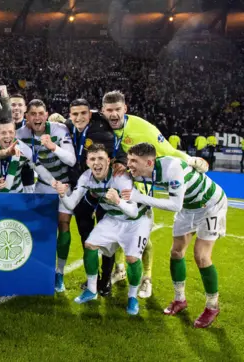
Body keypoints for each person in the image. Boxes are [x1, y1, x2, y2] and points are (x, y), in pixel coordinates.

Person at [101, 90, 208, 298]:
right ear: (103, 111)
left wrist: (191, 159)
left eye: (117, 110)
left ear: (125, 109)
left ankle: (147, 278)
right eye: (109, 110)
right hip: (114, 185)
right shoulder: (100, 123)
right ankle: (120, 269)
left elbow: (168, 151)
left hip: (140, 186)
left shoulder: (143, 128)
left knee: (141, 235)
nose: (113, 114)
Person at [123, 142, 227, 328]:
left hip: (211, 206)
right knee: (176, 253)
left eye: (134, 161)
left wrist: (139, 198)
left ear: (149, 162)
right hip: (188, 209)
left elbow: (174, 205)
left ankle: (212, 306)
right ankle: (180, 299)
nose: (129, 164)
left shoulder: (173, 169)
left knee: (201, 256)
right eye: (128, 159)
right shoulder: (144, 171)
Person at [53, 144, 152, 316]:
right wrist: (62, 194)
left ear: (109, 160)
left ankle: (132, 298)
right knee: (90, 245)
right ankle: (91, 290)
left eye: (100, 158)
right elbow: (71, 204)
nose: (96, 163)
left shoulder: (120, 178)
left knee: (131, 258)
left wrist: (118, 200)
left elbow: (133, 210)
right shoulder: (86, 177)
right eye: (92, 159)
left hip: (137, 219)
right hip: (114, 217)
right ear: (87, 162)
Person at [60, 99, 127, 295]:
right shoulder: (69, 127)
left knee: (106, 239)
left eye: (83, 113)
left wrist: (121, 161)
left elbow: (118, 150)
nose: (79, 117)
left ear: (90, 114)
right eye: (75, 114)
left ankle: (105, 281)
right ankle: (94, 279)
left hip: (103, 192)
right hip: (81, 191)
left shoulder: (101, 130)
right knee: (86, 236)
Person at [17, 99, 76, 291]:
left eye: (40, 113)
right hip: (44, 184)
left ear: (46, 114)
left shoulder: (59, 130)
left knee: (64, 225)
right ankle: (39, 268)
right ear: (27, 117)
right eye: (32, 114)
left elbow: (72, 160)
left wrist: (54, 147)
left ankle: (59, 272)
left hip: (65, 185)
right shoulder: (21, 134)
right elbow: (34, 164)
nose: (37, 117)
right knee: (38, 227)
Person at [0, 120, 52, 193]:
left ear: (15, 133)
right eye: (3, 133)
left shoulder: (24, 149)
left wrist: (54, 182)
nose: (7, 136)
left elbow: (38, 167)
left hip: (16, 194)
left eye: (11, 132)